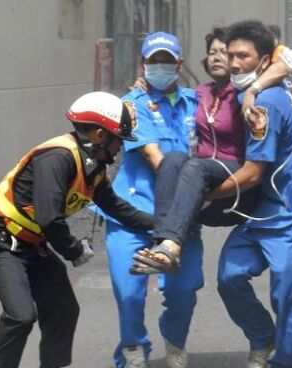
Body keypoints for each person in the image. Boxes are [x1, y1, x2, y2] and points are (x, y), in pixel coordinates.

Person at [0, 91, 153, 368]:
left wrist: (163, 223)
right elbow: (49, 218)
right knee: (20, 316)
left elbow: (117, 208)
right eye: (118, 139)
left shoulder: (93, 166)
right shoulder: (58, 158)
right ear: (99, 135)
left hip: (32, 245)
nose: (120, 147)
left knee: (63, 310)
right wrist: (74, 250)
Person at [211, 20, 292, 368]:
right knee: (230, 275)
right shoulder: (254, 89)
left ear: (262, 61)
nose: (234, 63)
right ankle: (264, 338)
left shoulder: (263, 103)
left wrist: (203, 196)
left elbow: (252, 174)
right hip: (264, 209)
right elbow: (285, 63)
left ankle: (285, 362)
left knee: (285, 295)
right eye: (229, 55)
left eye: (242, 56)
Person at [130, 28, 291, 275]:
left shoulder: (246, 93)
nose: (216, 57)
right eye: (212, 52)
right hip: (202, 189)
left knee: (195, 166)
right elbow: (166, 95)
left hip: (237, 188)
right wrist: (144, 85)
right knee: (175, 160)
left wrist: (253, 89)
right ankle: (164, 245)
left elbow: (284, 64)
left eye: (224, 52)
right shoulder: (199, 94)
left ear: (239, 59)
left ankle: (172, 244)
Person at [92, 31, 201, 368]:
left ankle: (175, 340)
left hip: (181, 220)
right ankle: (133, 350)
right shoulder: (132, 105)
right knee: (128, 293)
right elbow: (157, 159)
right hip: (133, 212)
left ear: (180, 64)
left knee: (183, 293)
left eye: (167, 60)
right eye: (153, 60)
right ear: (143, 64)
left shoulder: (198, 104)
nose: (160, 66)